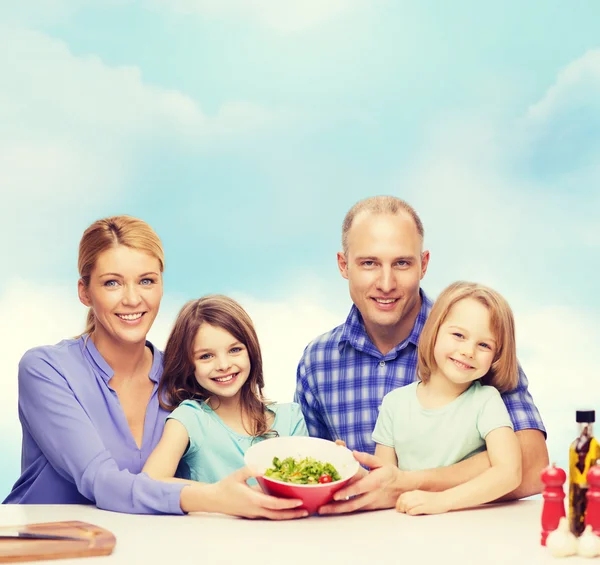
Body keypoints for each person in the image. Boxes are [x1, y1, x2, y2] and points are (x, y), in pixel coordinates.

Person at [4, 215, 307, 520]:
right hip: (42, 545)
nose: (133, 299)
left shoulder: (183, 376)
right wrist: (213, 497)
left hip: (140, 548)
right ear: (84, 292)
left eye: (146, 281)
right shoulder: (45, 370)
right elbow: (99, 480)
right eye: (112, 283)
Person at [294, 195, 549, 514]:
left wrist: (413, 484)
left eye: (402, 263)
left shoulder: (468, 345)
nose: (386, 283)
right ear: (344, 266)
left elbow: (533, 466)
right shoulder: (317, 363)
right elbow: (308, 476)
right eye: (369, 263)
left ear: (423, 264)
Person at [375, 281, 522, 515]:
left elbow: (509, 472)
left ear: (497, 355)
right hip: (406, 526)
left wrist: (441, 502)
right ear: (434, 331)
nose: (468, 351)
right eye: (458, 335)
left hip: (467, 527)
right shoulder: (394, 404)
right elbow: (383, 481)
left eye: (484, 344)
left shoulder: (486, 401)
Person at [142, 295, 308, 484]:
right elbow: (149, 483)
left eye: (235, 350)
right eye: (206, 356)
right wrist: (222, 497)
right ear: (188, 364)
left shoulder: (291, 418)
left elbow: (306, 484)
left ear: (251, 350)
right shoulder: (189, 419)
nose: (223, 365)